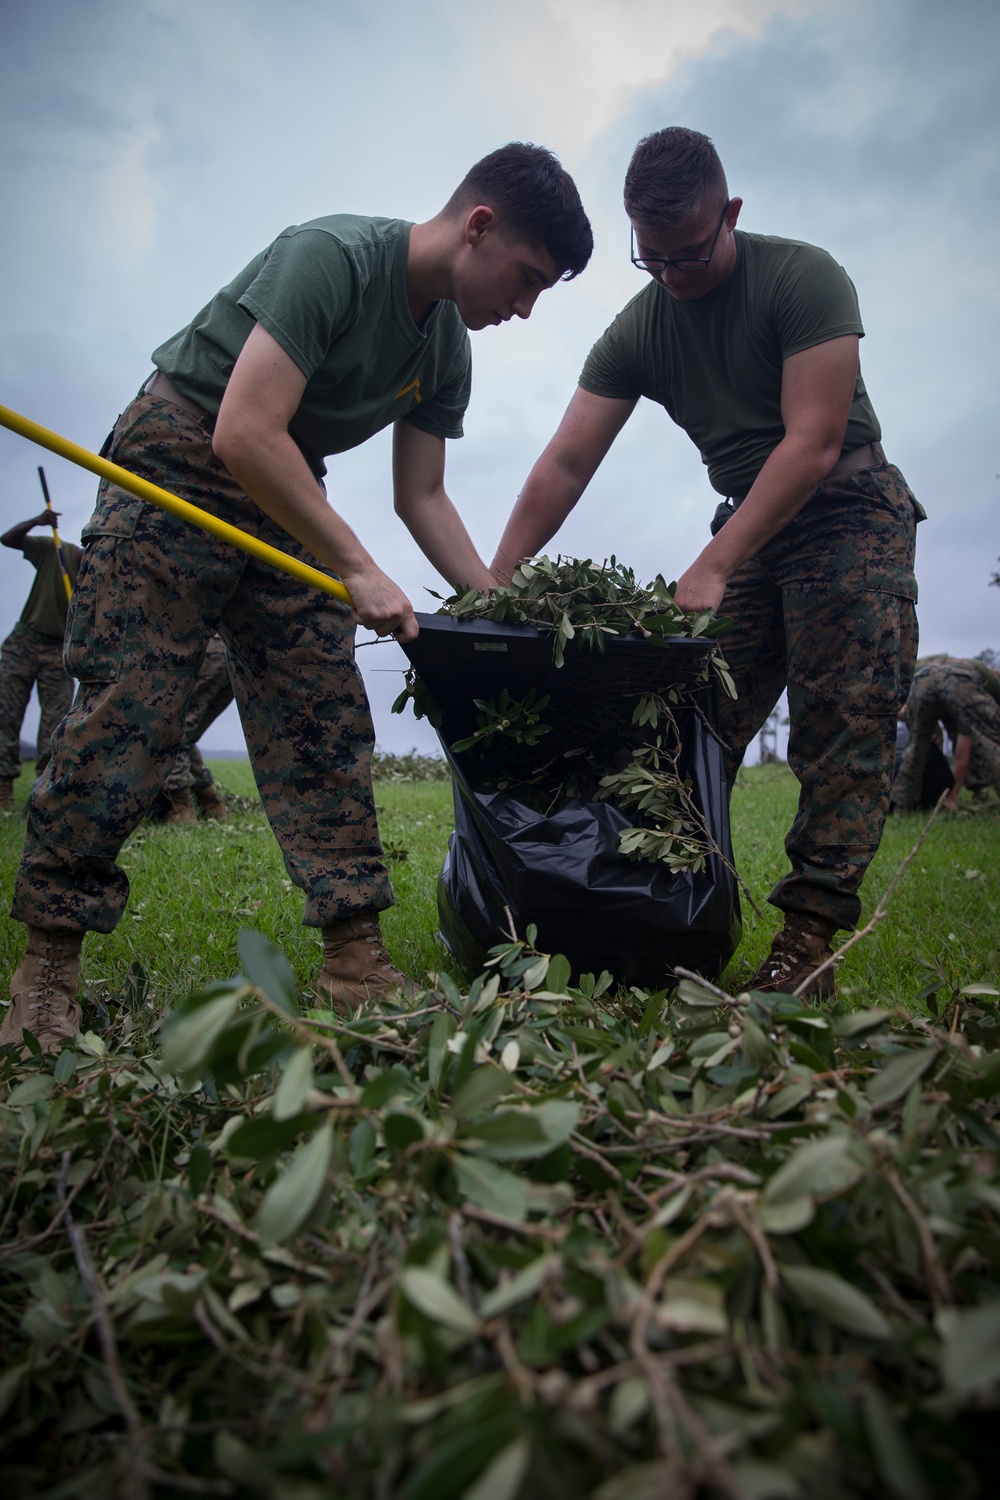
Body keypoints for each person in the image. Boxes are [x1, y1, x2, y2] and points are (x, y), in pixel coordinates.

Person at [2, 143, 593, 1051]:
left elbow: (422, 496)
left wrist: (496, 604)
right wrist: (358, 566)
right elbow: (244, 427)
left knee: (320, 706)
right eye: (526, 278)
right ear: (479, 227)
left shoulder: (444, 349)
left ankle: (357, 956)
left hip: (286, 487)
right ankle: (46, 964)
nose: (522, 306)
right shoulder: (332, 257)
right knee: (132, 704)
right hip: (181, 449)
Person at [491, 126, 923, 998]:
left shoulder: (804, 278)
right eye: (649, 260)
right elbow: (566, 462)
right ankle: (653, 919)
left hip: (846, 510)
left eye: (686, 255)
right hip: (751, 531)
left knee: (843, 724)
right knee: (680, 727)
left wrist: (716, 560)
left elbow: (812, 442)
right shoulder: (643, 325)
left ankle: (808, 944)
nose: (670, 277)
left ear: (729, 215)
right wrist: (494, 582)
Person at [0, 510, 82, 811]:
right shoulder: (54, 551)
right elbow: (8, 539)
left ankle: (43, 793)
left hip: (59, 653)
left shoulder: (99, 581)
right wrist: (36, 521)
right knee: (5, 717)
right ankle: (2, 790)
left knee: (56, 724)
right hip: (23, 644)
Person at [892, 656, 1000, 813]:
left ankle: (901, 805)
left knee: (916, 747)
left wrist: (931, 729)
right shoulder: (986, 686)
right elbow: (963, 752)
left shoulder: (928, 664)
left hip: (921, 682)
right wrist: (952, 797)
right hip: (956, 681)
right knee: (991, 743)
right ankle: (972, 792)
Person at [155, 635, 233, 824]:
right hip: (231, 655)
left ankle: (181, 810)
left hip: (205, 652)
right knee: (186, 736)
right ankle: (211, 805)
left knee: (174, 732)